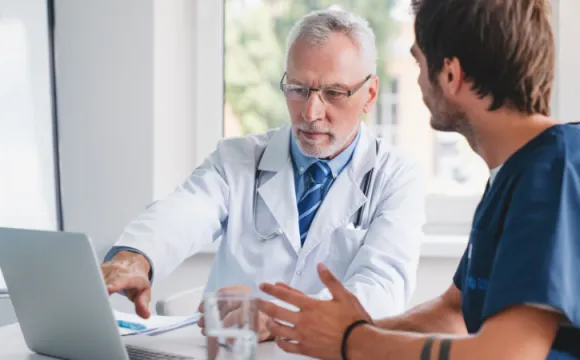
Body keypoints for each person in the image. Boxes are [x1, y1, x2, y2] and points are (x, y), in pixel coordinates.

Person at [258, 0, 580, 359]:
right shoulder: (515, 173)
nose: (417, 79)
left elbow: (507, 354)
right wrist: (321, 326)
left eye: (418, 62)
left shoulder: (552, 169)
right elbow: (453, 313)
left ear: (451, 75)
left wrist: (352, 340)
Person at [101, 8, 426, 340]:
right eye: (299, 89)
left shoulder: (396, 177)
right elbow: (184, 212)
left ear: (369, 94)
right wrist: (136, 256)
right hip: (233, 352)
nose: (312, 113)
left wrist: (279, 319)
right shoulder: (238, 159)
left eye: (334, 93)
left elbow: (382, 288)